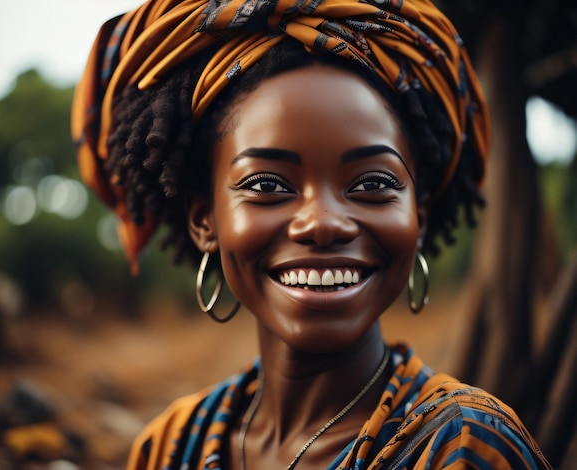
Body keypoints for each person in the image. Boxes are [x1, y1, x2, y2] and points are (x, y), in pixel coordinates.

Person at [72, 0, 551, 468]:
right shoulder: (170, 446)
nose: (322, 223)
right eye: (267, 184)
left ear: (419, 218)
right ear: (205, 220)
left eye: (372, 184)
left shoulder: (464, 448)